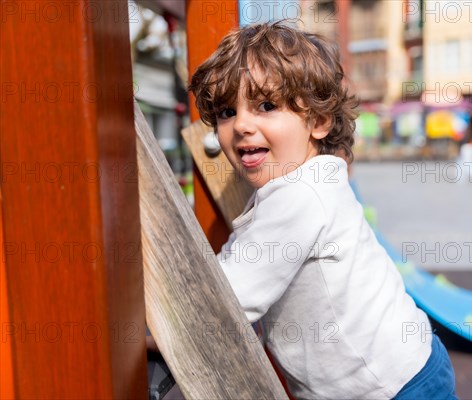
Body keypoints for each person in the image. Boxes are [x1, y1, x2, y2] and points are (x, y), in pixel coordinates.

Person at [188, 21, 457, 400]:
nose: (242, 125)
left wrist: (160, 329)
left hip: (392, 388)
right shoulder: (307, 182)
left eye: (266, 105)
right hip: (403, 370)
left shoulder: (300, 196)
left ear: (318, 121)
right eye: (228, 111)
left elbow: (229, 297)